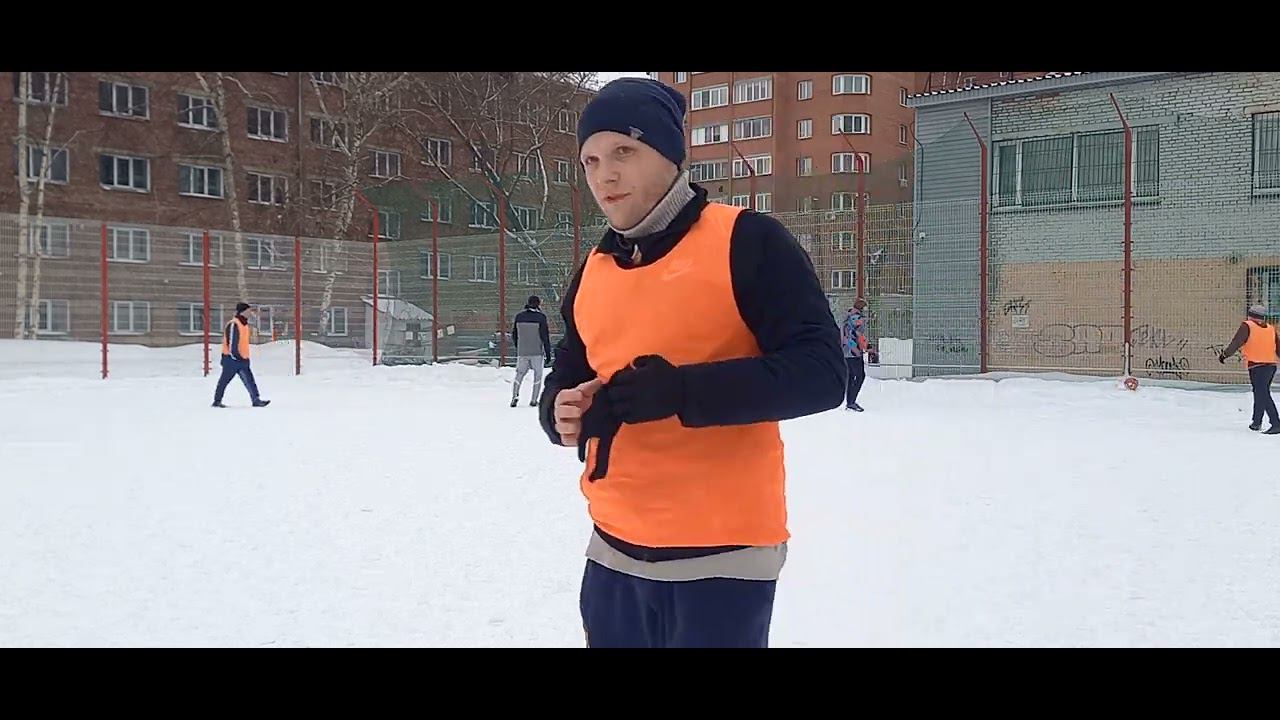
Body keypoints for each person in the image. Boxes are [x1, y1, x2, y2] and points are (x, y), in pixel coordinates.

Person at [537, 77, 845, 648]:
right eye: (591, 160)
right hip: (612, 550)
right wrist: (561, 409)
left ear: (670, 154)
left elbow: (823, 372)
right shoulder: (593, 270)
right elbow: (569, 372)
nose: (605, 175)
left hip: (722, 557)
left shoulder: (747, 241)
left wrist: (682, 392)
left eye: (624, 151)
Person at [1218, 304, 1280, 434]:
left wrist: (1225, 355)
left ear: (1250, 315)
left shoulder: (1247, 326)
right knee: (1260, 392)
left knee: (1262, 393)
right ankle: (1256, 422)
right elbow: (1278, 348)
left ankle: (1276, 423)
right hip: (1271, 366)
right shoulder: (1271, 329)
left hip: (1257, 366)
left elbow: (1236, 342)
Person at [212, 302, 270, 408]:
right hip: (231, 359)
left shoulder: (245, 325)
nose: (250, 313)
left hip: (242, 359)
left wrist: (244, 357)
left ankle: (256, 400)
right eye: (248, 310)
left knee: (249, 380)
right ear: (243, 311)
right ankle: (217, 401)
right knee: (224, 380)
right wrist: (236, 356)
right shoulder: (234, 324)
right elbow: (231, 343)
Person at [511, 295, 552, 408]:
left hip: (522, 351)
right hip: (537, 352)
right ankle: (534, 400)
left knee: (519, 374)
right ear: (538, 304)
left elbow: (514, 334)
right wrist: (548, 353)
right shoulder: (541, 317)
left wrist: (518, 346)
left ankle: (515, 395)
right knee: (537, 376)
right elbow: (545, 336)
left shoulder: (519, 317)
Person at [841, 298, 870, 411]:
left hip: (845, 350)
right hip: (854, 352)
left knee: (851, 376)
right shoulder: (858, 319)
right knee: (860, 376)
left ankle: (850, 401)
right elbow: (860, 335)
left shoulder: (847, 317)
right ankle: (851, 402)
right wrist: (866, 347)